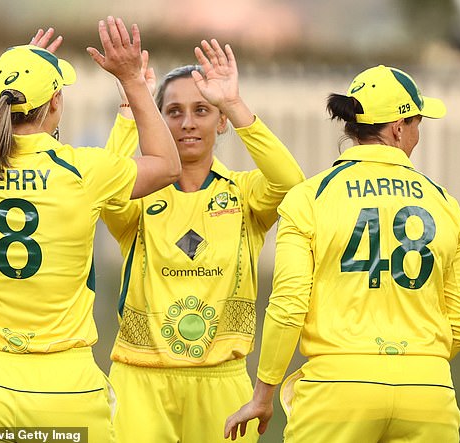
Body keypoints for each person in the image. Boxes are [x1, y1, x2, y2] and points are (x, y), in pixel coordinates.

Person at [0, 16, 180, 440]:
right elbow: (166, 165)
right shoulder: (81, 171)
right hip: (64, 389)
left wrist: (19, 67)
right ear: (54, 103)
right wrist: (134, 83)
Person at [224, 65, 460, 443]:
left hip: (337, 390)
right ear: (397, 128)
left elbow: (289, 304)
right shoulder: (447, 206)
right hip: (428, 390)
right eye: (416, 123)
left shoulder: (311, 198)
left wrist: (264, 394)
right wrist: (417, 364)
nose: (416, 134)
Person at [100, 39, 305, 443]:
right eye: (173, 112)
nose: (188, 123)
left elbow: (290, 183)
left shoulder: (245, 195)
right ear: (157, 120)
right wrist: (130, 111)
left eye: (202, 111)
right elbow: (106, 194)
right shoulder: (138, 198)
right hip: (140, 378)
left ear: (221, 121)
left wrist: (234, 103)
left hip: (222, 381)